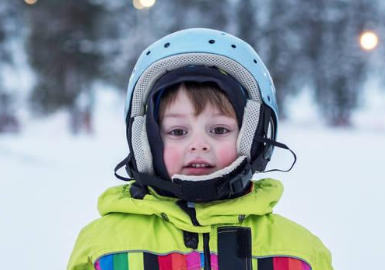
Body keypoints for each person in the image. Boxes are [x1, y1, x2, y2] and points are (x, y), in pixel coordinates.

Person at [67, 28, 333, 270]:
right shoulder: (104, 248)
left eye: (218, 130)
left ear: (253, 137)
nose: (198, 144)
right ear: (145, 141)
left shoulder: (299, 254)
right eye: (178, 132)